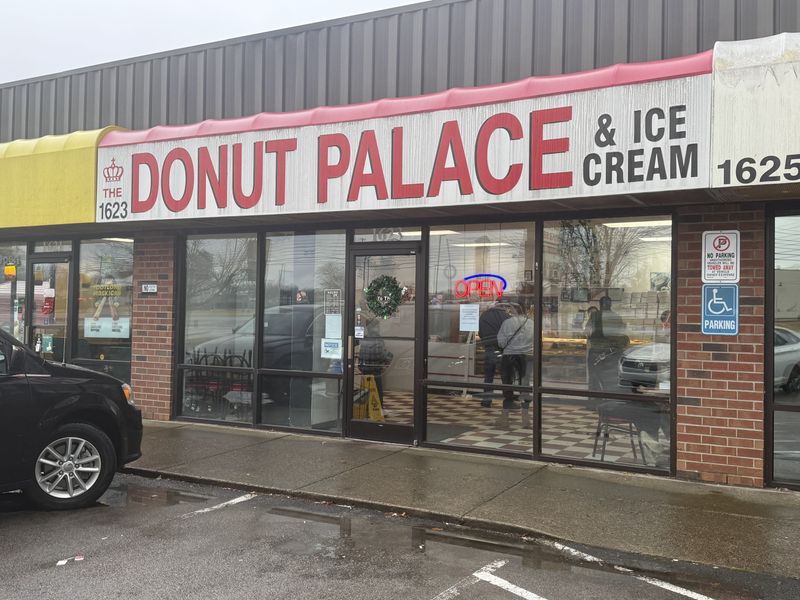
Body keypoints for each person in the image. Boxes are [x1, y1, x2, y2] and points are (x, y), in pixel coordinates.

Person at [585, 296, 628, 392]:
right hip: (613, 352)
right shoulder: (617, 316)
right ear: (610, 304)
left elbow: (587, 331)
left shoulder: (595, 315)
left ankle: (595, 398)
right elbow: (621, 332)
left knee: (594, 377)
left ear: (600, 305)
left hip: (597, 350)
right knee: (610, 377)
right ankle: (610, 397)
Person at [497, 302, 534, 411]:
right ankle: (525, 401)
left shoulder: (507, 323)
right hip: (527, 355)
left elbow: (501, 342)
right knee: (524, 379)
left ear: (512, 311)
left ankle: (509, 401)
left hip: (509, 354)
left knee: (508, 379)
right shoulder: (531, 323)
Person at [478, 301, 511, 407]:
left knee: (488, 377)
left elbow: (480, 333)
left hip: (488, 349)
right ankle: (508, 402)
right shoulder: (506, 316)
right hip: (502, 350)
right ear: (503, 306)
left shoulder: (484, 315)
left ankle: (486, 401)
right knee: (506, 377)